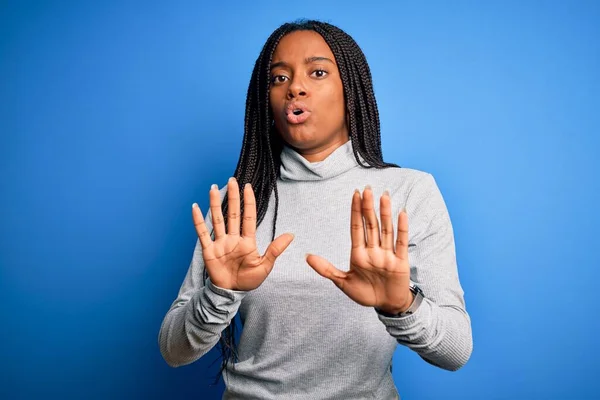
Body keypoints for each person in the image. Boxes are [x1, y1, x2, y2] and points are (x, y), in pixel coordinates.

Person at [159, 19, 472, 400]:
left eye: (318, 72)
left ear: (351, 91)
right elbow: (173, 351)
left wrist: (402, 304)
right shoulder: (238, 202)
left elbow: (456, 350)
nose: (295, 88)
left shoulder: (409, 192)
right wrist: (219, 292)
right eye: (278, 78)